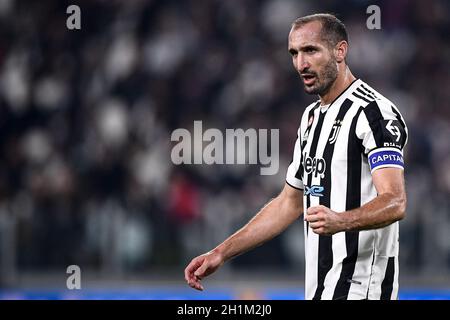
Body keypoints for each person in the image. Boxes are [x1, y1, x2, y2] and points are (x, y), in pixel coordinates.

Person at [184, 13, 408, 300]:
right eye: (294, 53)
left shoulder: (373, 113)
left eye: (311, 50)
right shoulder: (311, 118)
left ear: (340, 51)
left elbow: (395, 201)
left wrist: (341, 220)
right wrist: (220, 253)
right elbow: (288, 203)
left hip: (363, 291)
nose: (301, 64)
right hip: (319, 292)